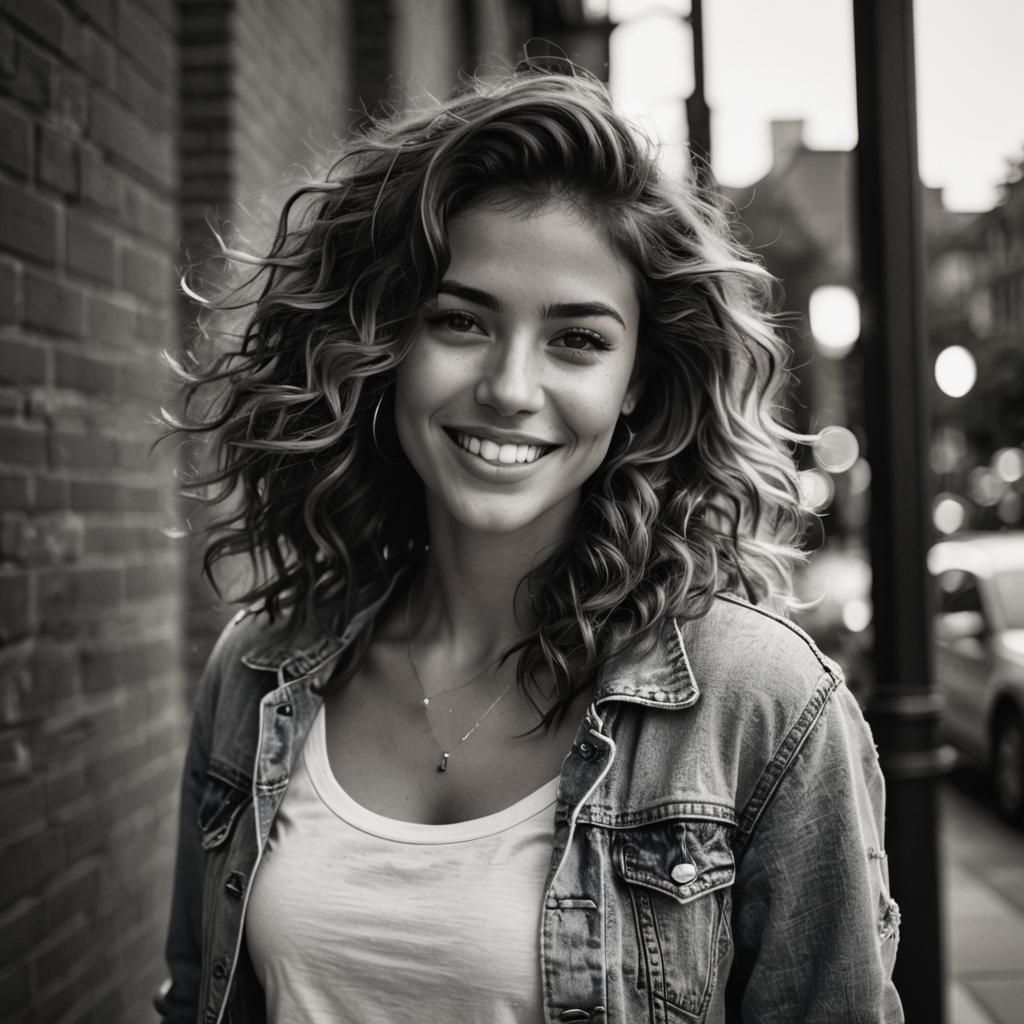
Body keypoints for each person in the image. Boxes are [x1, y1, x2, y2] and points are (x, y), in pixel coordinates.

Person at [158, 66, 904, 1024]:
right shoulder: (258, 670)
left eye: (578, 340)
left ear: (639, 378)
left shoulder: (762, 709)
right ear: (389, 342)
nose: (511, 386)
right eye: (461, 321)